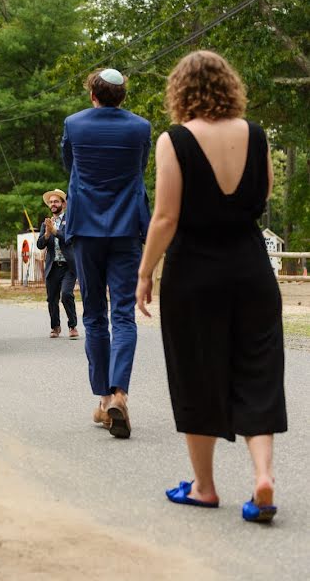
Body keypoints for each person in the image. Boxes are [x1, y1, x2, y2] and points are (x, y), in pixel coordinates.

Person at [135, 51, 286, 522]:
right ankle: (263, 475)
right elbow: (260, 197)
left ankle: (204, 487)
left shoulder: (174, 140)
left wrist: (145, 273)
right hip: (250, 268)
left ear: (180, 91)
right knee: (258, 371)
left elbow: (166, 216)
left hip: (194, 273)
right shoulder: (256, 135)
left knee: (196, 373)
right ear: (230, 86)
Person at [62, 68, 152, 439]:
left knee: (95, 314)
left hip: (85, 226)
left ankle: (103, 397)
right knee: (124, 316)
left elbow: (70, 165)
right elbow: (140, 167)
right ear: (123, 96)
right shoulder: (140, 128)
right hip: (127, 226)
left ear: (92, 95)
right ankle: (120, 394)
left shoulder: (74, 124)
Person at [36, 189, 78, 339]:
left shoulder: (71, 220)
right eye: (51, 202)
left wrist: (55, 231)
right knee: (51, 298)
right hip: (53, 266)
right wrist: (47, 234)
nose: (53, 204)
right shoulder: (46, 223)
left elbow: (69, 239)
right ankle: (55, 327)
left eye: (56, 201)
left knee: (66, 294)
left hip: (69, 265)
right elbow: (40, 244)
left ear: (63, 204)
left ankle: (72, 326)